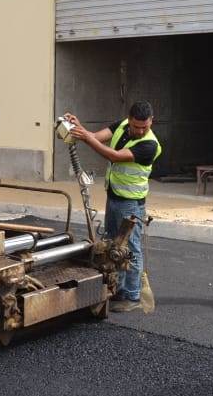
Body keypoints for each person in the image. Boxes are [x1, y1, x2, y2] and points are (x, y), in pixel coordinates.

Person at [65, 101, 163, 313]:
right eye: (136, 126)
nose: (140, 130)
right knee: (112, 244)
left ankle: (132, 295)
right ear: (129, 119)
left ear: (151, 121)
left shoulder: (150, 145)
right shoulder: (122, 125)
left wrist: (86, 137)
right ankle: (117, 288)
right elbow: (96, 136)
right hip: (114, 196)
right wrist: (79, 129)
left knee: (131, 248)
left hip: (131, 203)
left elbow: (114, 156)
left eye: (144, 127)